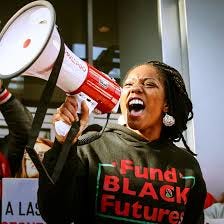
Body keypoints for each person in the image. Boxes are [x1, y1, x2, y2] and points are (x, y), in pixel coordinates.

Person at [37, 60, 207, 224]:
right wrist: (63, 145)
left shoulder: (187, 166)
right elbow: (54, 214)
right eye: (128, 85)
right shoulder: (90, 147)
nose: (136, 89)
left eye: (149, 84)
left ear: (166, 104)